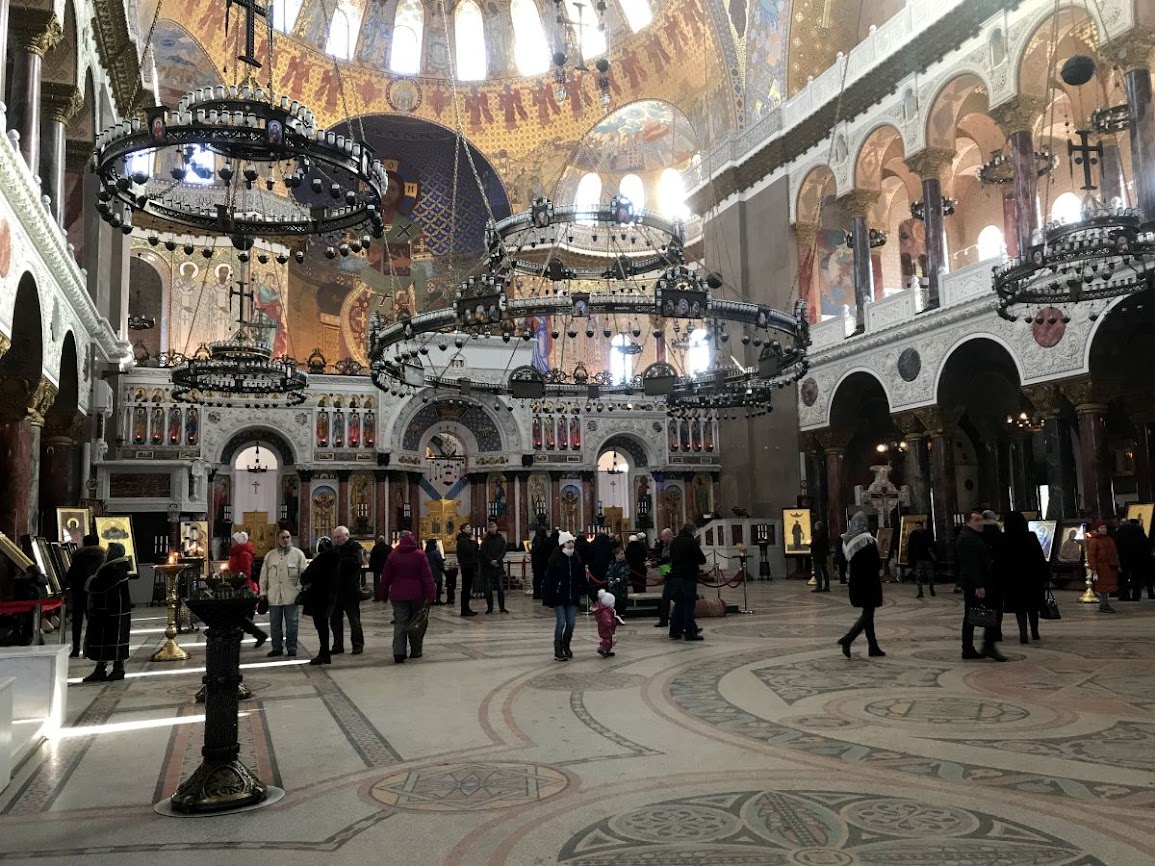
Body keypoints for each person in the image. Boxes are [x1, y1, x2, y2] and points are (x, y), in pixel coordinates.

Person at [957, 508, 1006, 661]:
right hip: (976, 583)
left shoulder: (972, 536)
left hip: (977, 582)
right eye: (976, 520)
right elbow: (971, 564)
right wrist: (978, 585)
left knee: (973, 615)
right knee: (982, 612)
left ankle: (971, 648)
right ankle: (982, 646)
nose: (980, 523)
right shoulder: (968, 538)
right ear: (968, 522)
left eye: (980, 520)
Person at [381, 532, 436, 663]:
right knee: (415, 622)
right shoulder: (420, 555)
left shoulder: (393, 555)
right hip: (417, 594)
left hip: (398, 594)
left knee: (400, 622)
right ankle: (416, 651)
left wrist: (383, 593)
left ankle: (398, 652)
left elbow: (385, 576)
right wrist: (431, 594)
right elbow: (427, 577)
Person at [81, 542, 132, 682]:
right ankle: (101, 669)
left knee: (113, 639)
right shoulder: (111, 567)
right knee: (105, 640)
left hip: (112, 611)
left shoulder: (115, 569)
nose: (106, 553)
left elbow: (100, 585)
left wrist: (91, 580)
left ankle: (117, 669)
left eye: (108, 550)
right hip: (108, 610)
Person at [837, 512, 885, 658]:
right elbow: (876, 563)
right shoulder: (867, 540)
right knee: (868, 614)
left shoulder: (845, 540)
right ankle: (848, 639)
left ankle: (873, 647)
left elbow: (841, 561)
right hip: (869, 582)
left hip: (855, 582)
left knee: (868, 615)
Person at [1001, 511, 1048, 644]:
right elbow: (1039, 557)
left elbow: (1002, 560)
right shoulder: (1031, 536)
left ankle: (1023, 633)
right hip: (1032, 578)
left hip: (1014, 579)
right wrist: (1045, 574)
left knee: (1019, 608)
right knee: (1033, 606)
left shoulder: (1005, 538)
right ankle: (1035, 631)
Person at [542, 531, 590, 661]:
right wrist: (547, 597)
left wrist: (586, 591)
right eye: (569, 542)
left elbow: (581, 577)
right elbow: (549, 579)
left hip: (572, 596)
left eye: (572, 542)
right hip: (559, 596)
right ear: (563, 544)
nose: (571, 544)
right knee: (561, 622)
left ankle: (566, 645)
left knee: (571, 623)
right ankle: (558, 650)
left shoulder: (576, 558)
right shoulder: (555, 558)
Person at [260, 530, 307, 657]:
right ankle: (276, 648)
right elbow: (263, 575)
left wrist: (299, 589)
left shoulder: (298, 554)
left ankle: (292, 647)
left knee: (292, 623)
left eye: (288, 537)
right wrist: (262, 592)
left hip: (291, 595)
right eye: (283, 537)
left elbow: (304, 574)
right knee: (275, 624)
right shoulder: (270, 555)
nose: (285, 540)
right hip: (274, 595)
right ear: (278, 539)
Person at [300, 537, 340, 665]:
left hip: (319, 597)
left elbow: (306, 577)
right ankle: (325, 653)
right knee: (326, 625)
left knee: (321, 626)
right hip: (331, 595)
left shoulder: (320, 560)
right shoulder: (337, 558)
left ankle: (324, 653)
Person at [65, 534, 104, 658]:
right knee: (93, 621)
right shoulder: (101, 557)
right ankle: (91, 649)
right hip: (93, 593)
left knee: (77, 622)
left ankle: (76, 649)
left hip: (78, 593)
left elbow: (70, 575)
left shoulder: (78, 557)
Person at [329, 526, 367, 654]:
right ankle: (337, 645)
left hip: (350, 590)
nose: (336, 539)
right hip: (335, 591)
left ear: (346, 535)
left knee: (354, 619)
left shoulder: (356, 547)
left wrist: (338, 562)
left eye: (338, 537)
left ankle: (357, 644)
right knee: (335, 620)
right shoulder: (335, 549)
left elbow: (356, 563)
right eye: (335, 537)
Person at [228, 531, 268, 649]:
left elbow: (246, 573)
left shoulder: (244, 554)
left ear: (239, 541)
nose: (232, 542)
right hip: (238, 586)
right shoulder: (237, 553)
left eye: (234, 540)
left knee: (240, 615)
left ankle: (258, 634)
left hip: (244, 587)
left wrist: (236, 580)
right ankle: (245, 637)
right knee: (241, 615)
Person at [668, 523, 705, 641]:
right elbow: (701, 559)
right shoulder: (691, 542)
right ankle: (690, 633)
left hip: (676, 577)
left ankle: (674, 631)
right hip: (688, 578)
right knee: (689, 605)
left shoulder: (674, 542)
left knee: (679, 605)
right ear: (692, 531)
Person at [1085, 519, 1120, 613]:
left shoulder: (1109, 539)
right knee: (1103, 587)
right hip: (1101, 568)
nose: (1104, 529)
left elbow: (1114, 553)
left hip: (1110, 567)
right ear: (1097, 529)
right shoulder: (1094, 541)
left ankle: (1105, 603)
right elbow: (1091, 556)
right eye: (1101, 528)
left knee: (1108, 586)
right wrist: (1094, 569)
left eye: (1105, 528)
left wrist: (1118, 564)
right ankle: (1103, 604)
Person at [1115, 518, 1152, 601]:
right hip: (1138, 557)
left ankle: (1124, 595)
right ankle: (1136, 595)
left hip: (1124, 557)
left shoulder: (1121, 531)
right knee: (1136, 576)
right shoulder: (1139, 530)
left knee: (1123, 576)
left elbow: (1116, 543)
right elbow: (1146, 543)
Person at [478, 519, 509, 614]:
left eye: (494, 527)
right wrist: (490, 560)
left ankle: (502, 607)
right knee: (488, 588)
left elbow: (503, 551)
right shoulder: (485, 540)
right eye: (490, 527)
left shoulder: (501, 539)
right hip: (488, 567)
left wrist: (497, 560)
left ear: (496, 527)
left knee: (500, 588)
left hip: (498, 566)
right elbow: (483, 552)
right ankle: (490, 608)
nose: (492, 529)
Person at [906, 520, 936, 598]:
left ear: (922, 526)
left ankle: (931, 588)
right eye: (916, 526)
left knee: (930, 576)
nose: (917, 528)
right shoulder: (913, 534)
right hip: (918, 558)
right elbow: (911, 547)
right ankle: (920, 592)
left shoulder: (927, 534)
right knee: (918, 576)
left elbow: (931, 544)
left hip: (927, 558)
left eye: (918, 526)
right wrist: (910, 558)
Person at [653, 527, 675, 628]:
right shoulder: (664, 546)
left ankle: (667, 620)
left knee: (667, 599)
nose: (661, 538)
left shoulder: (673, 546)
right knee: (665, 599)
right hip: (668, 575)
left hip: (673, 575)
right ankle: (664, 620)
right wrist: (663, 575)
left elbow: (668, 560)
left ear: (668, 536)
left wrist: (656, 563)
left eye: (663, 536)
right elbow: (664, 563)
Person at [456, 523, 479, 617]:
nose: (470, 529)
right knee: (466, 588)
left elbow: (475, 548)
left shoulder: (466, 539)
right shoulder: (462, 540)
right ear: (463, 530)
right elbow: (469, 551)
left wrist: (474, 542)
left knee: (467, 588)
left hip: (470, 565)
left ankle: (466, 608)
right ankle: (464, 609)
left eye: (470, 527)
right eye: (468, 528)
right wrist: (473, 541)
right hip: (467, 566)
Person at [592, 589, 622, 658]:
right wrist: (610, 623)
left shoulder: (607, 610)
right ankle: (603, 648)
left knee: (608, 638)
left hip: (605, 627)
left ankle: (607, 649)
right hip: (606, 627)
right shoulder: (606, 611)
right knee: (607, 639)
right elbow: (606, 620)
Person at [604, 544, 630, 610]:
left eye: (623, 554)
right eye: (621, 554)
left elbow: (625, 575)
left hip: (622, 588)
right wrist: (610, 580)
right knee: (614, 605)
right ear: (616, 555)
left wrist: (617, 580)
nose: (623, 555)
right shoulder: (612, 563)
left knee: (621, 604)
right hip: (613, 589)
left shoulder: (625, 564)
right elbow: (609, 573)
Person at [530, 526, 553, 600]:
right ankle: (542, 594)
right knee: (543, 579)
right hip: (543, 563)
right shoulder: (544, 540)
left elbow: (533, 552)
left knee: (537, 580)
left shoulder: (535, 540)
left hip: (537, 563)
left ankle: (537, 594)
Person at [368, 535, 391, 601]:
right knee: (386, 582)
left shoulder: (375, 548)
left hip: (377, 568)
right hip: (386, 567)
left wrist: (371, 567)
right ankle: (385, 596)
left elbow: (372, 558)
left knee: (376, 583)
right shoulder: (388, 548)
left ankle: (377, 597)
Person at [810, 520, 830, 592]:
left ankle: (819, 586)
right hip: (823, 555)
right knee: (825, 571)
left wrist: (810, 545)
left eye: (815, 526)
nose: (814, 527)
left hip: (817, 555)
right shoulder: (825, 534)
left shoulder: (817, 534)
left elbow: (814, 544)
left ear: (818, 526)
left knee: (818, 572)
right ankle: (827, 586)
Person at [425, 537, 445, 604]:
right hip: (436, 571)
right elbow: (439, 561)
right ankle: (437, 599)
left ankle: (431, 599)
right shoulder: (435, 552)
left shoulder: (425, 552)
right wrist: (442, 568)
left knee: (431, 586)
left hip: (428, 571)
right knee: (438, 586)